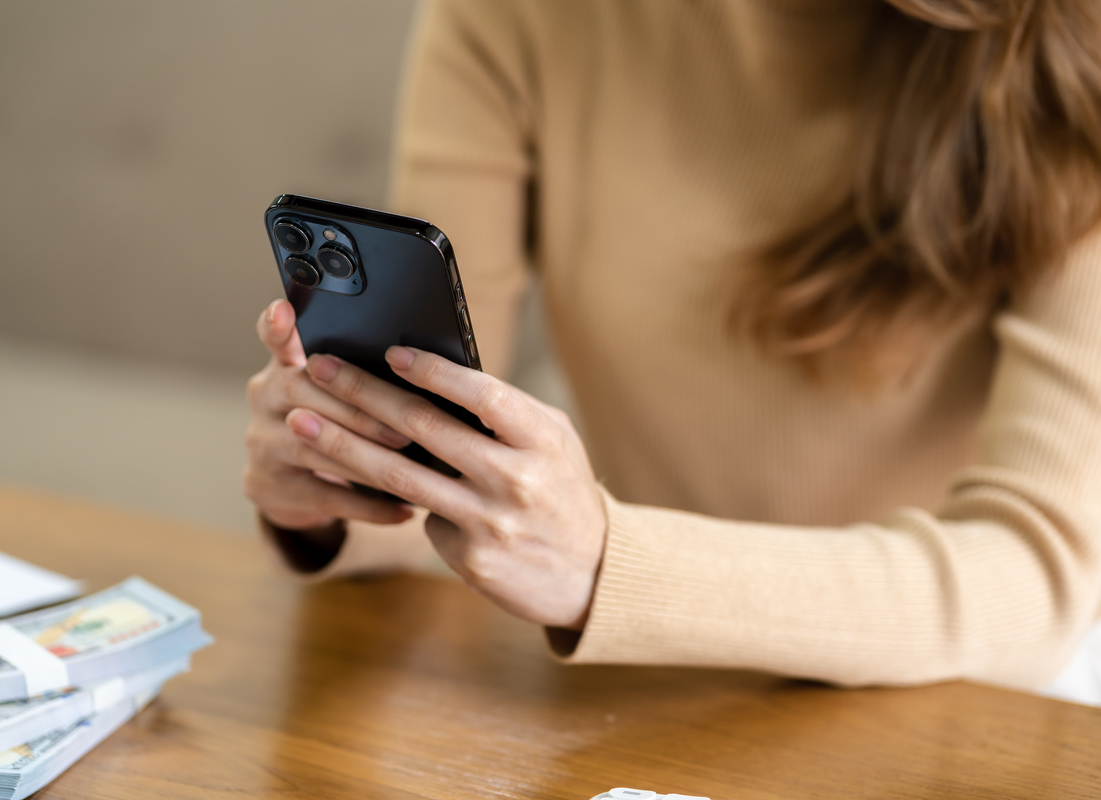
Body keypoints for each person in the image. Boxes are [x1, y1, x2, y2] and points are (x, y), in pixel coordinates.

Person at [244, 0, 1101, 702]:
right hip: (641, 687)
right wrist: (341, 479)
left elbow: (1037, 583)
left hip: (949, 699)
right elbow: (460, 472)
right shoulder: (516, 16)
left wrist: (611, 566)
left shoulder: (1072, 55)